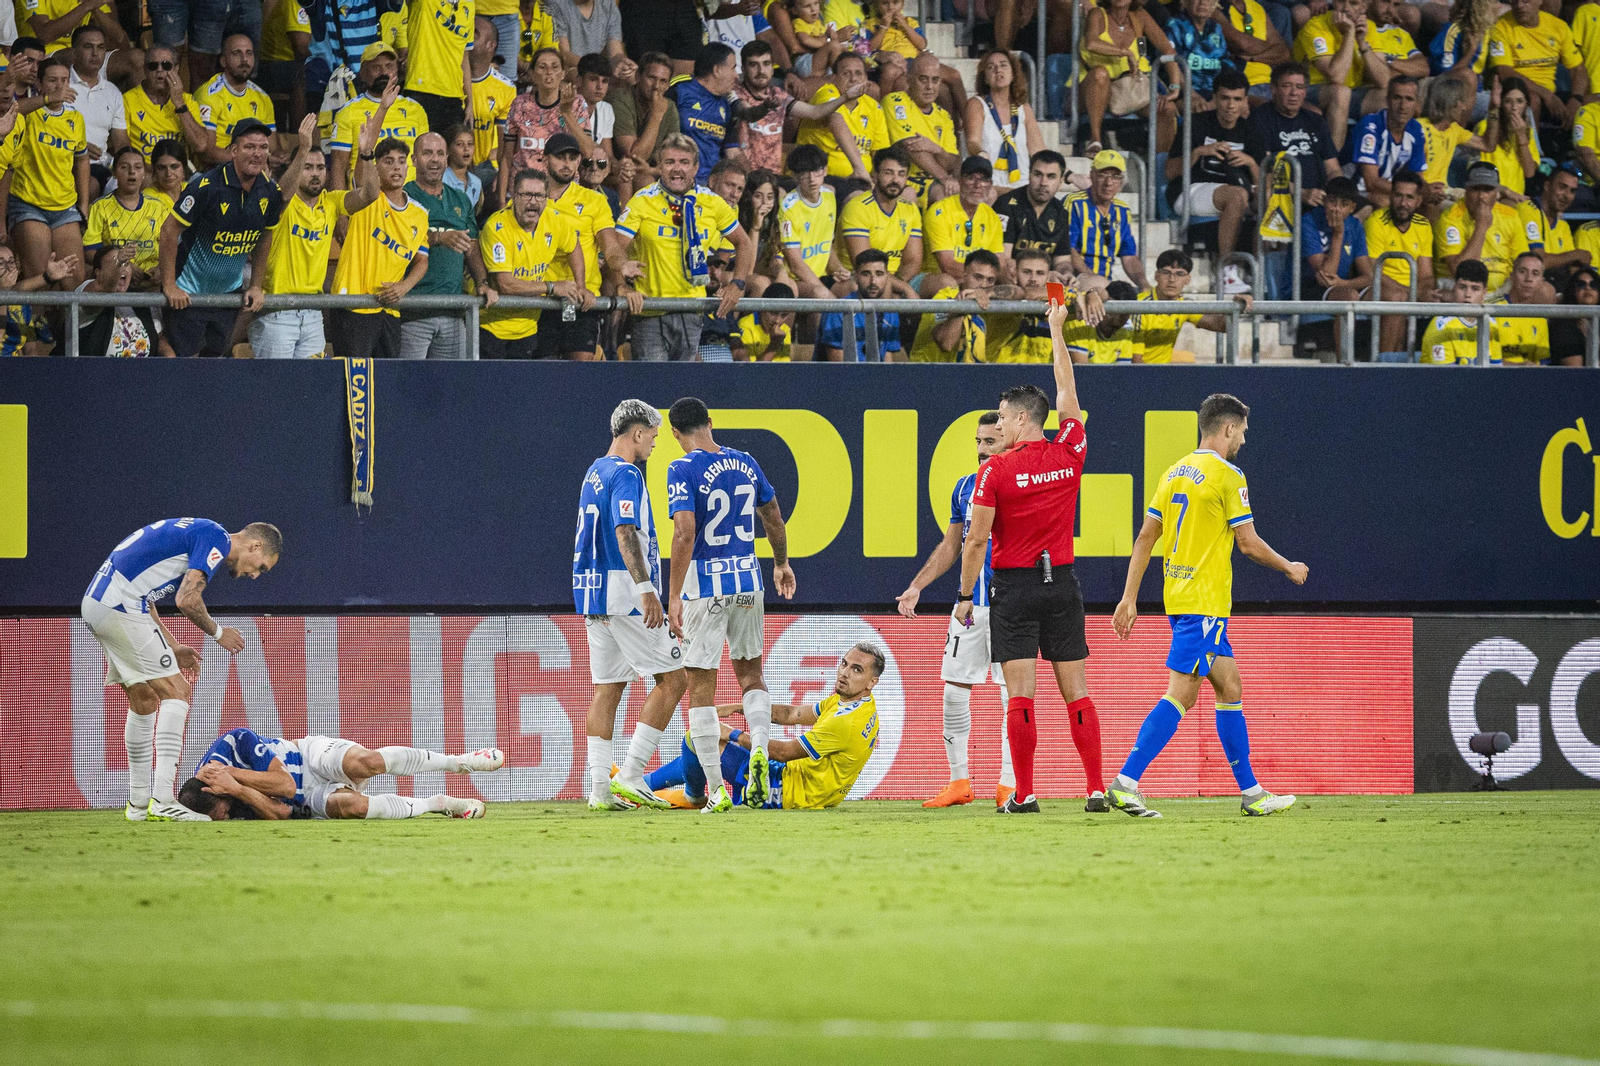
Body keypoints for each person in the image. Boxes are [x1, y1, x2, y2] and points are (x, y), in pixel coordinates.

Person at [1108, 393, 1309, 818]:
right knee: (1181, 695)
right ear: (1228, 428)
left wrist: (1129, 597)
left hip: (1180, 599)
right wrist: (1288, 566)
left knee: (1229, 685)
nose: (1243, 441)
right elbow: (1249, 544)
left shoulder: (1174, 471)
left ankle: (1252, 793)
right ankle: (1126, 782)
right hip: (1204, 603)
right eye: (1242, 433)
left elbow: (1146, 537)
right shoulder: (1228, 475)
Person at [954, 289, 1109, 815]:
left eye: (1001, 417)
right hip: (1063, 583)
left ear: (1022, 419)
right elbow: (1067, 386)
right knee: (1077, 692)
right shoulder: (1071, 449)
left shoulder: (994, 471)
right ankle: (1094, 789)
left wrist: (962, 595)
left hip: (1015, 588)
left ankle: (1025, 792)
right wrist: (1058, 329)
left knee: (1021, 696)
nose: (996, 425)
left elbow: (975, 539)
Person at [81, 518, 280, 821]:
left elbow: (146, 599)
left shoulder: (196, 533)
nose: (254, 575)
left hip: (101, 603)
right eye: (261, 566)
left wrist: (171, 645)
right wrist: (217, 633)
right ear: (255, 546)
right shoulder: (217, 539)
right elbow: (187, 599)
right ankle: (162, 799)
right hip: (120, 606)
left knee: (145, 698)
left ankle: (137, 806)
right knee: (178, 691)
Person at [662, 397, 795, 810]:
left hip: (705, 587)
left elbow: (685, 532)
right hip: (748, 582)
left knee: (701, 688)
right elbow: (772, 512)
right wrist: (781, 562)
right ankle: (759, 745)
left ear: (675, 433)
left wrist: (673, 594)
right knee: (751, 675)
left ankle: (717, 790)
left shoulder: (681, 468)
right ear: (711, 423)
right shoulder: (746, 462)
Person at [574, 400, 691, 810]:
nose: (656, 444)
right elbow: (625, 531)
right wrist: (646, 589)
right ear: (637, 433)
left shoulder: (595, 471)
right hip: (624, 595)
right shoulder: (626, 473)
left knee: (608, 689)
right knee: (675, 680)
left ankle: (599, 791)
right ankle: (632, 774)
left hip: (592, 594)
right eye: (654, 436)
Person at [897, 411, 1016, 809]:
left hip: (1011, 605)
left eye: (991, 442)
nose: (982, 450)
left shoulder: (1024, 483)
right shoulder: (965, 488)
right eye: (978, 442)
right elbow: (952, 545)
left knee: (1012, 696)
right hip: (969, 606)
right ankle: (959, 781)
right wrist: (917, 586)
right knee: (952, 690)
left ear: (1010, 439)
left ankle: (1009, 785)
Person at [642, 643, 884, 811]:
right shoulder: (858, 703)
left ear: (872, 682)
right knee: (704, 741)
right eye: (844, 663)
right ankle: (644, 784)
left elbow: (783, 753)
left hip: (786, 793)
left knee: (698, 736)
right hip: (806, 787)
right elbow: (792, 713)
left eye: (856, 670)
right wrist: (738, 707)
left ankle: (688, 796)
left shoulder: (845, 722)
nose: (844, 673)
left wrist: (733, 733)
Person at [613, 132, 754, 361]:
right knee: (654, 390)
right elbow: (615, 249)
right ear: (659, 166)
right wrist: (623, 286)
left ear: (696, 168)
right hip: (650, 311)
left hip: (691, 311)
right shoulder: (642, 201)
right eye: (669, 162)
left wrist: (737, 283)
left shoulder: (712, 203)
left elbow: (744, 242)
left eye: (684, 163)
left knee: (681, 389)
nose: (676, 169)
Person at [252, 113, 375, 359]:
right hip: (277, 311)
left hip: (313, 314)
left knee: (310, 390)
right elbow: (283, 195)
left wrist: (367, 154)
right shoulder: (283, 202)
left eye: (320, 167)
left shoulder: (330, 203)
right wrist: (304, 148)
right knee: (275, 389)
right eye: (308, 167)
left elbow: (369, 195)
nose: (316, 174)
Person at [177, 727, 502, 820]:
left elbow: (285, 785)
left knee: (367, 763)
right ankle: (436, 803)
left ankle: (458, 762)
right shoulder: (226, 802)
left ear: (213, 792)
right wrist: (238, 791)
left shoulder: (233, 743)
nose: (223, 820)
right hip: (308, 801)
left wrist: (233, 777)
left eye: (219, 813)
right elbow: (280, 810)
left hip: (308, 758)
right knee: (356, 807)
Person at [159, 119, 282, 358]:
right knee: (188, 364)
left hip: (228, 294)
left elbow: (265, 235)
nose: (257, 154)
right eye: (249, 147)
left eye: (263, 147)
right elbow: (168, 232)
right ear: (233, 151)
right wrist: (169, 285)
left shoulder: (270, 191)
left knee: (215, 361)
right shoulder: (207, 186)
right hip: (188, 292)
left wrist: (256, 285)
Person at [325, 133, 435, 359]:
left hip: (389, 310)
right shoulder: (367, 200)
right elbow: (367, 186)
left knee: (385, 381)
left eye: (401, 161)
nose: (396, 167)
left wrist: (404, 286)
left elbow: (422, 260)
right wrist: (366, 152)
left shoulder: (420, 214)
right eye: (388, 161)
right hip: (354, 306)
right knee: (354, 382)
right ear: (375, 168)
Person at [403, 130, 497, 359]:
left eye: (439, 154)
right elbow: (398, 242)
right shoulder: (403, 196)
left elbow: (471, 247)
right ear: (414, 160)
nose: (434, 159)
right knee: (407, 386)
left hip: (454, 311)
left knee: (450, 388)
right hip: (412, 311)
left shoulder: (461, 199)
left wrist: (482, 282)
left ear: (447, 159)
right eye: (427, 153)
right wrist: (437, 238)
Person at [477, 166, 588, 358]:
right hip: (489, 327)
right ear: (513, 196)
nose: (533, 202)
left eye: (539, 196)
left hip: (528, 328)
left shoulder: (554, 219)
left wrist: (581, 285)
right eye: (527, 195)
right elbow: (505, 285)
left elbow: (574, 247)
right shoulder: (497, 228)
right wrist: (552, 287)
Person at [1293, 0, 1426, 148]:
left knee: (1394, 95)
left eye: (1354, 3)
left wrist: (1362, 43)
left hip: (1352, 92)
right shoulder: (1315, 26)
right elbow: (1336, 77)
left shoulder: (1370, 27)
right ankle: (1332, 165)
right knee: (1340, 92)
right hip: (1312, 91)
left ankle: (1393, 159)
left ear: (1364, 7)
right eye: (1341, 2)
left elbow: (1383, 80)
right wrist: (1349, 34)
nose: (1346, 8)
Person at [542, 130, 626, 359]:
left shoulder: (595, 201)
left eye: (572, 158)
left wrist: (621, 265)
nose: (567, 163)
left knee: (579, 377)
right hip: (540, 299)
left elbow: (610, 246)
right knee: (541, 377)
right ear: (544, 159)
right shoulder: (531, 198)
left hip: (583, 300)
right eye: (560, 157)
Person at [9, 56, 89, 290]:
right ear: (39, 84)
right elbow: (10, 112)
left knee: (74, 280)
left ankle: (61, 328)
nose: (60, 86)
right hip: (28, 203)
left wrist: (83, 204)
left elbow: (82, 160)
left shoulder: (75, 119)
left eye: (64, 80)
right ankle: (32, 327)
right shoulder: (28, 114)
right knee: (40, 278)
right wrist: (45, 100)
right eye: (53, 80)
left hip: (64, 207)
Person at [1165, 69, 1262, 260]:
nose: (1230, 105)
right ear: (1215, 98)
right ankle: (1227, 267)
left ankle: (1263, 270)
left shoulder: (1251, 130)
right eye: (1225, 98)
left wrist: (1250, 163)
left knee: (1272, 198)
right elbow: (1169, 172)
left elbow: (1262, 180)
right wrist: (1198, 152)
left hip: (1237, 189)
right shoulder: (1196, 124)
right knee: (1237, 195)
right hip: (1190, 189)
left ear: (1245, 101)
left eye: (1237, 99)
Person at [1078, 0, 1181, 156]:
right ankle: (1095, 139)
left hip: (1130, 90)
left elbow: (1167, 49)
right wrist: (1125, 52)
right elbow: (1091, 43)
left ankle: (1161, 168)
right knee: (1100, 74)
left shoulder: (1140, 16)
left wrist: (1174, 86)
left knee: (1166, 109)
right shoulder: (1098, 14)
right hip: (1093, 89)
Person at [330, 43, 432, 189]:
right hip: (367, 198)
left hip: (411, 199)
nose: (383, 72)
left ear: (397, 69)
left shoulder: (416, 109)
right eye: (376, 67)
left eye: (389, 66)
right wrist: (341, 209)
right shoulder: (347, 112)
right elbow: (338, 168)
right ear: (362, 73)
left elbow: (425, 159)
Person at [500, 46, 590, 198]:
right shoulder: (519, 104)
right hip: (524, 192)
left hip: (563, 192)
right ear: (533, 74)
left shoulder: (577, 104)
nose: (549, 72)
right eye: (542, 67)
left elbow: (588, 151)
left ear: (563, 73)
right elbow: (507, 156)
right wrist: (502, 199)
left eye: (555, 67)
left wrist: (567, 112)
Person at [1136, 249, 1252, 363]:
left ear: (1188, 279)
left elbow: (1222, 325)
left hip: (1159, 374)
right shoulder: (1139, 306)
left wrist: (1237, 306)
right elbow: (1135, 362)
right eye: (1166, 273)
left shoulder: (1184, 305)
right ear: (1156, 276)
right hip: (1138, 374)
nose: (1172, 279)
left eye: (1179, 274)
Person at [1364, 169, 1435, 353]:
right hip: (1378, 287)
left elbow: (1426, 273)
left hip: (1410, 290)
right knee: (1399, 299)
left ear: (1418, 201)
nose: (1403, 203)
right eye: (1398, 196)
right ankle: (1385, 363)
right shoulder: (1376, 221)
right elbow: (1372, 271)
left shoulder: (1423, 225)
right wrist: (1408, 292)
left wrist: (1426, 290)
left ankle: (1436, 362)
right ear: (1391, 196)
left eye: (1410, 198)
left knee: (1442, 298)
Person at [1249, 63, 1341, 202]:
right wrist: (1301, 193)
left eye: (1299, 87)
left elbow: (1333, 169)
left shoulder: (1315, 120)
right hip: (1282, 197)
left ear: (1305, 92)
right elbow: (1265, 171)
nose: (1294, 93)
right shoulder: (1260, 118)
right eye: (1287, 86)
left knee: (1363, 207)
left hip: (1318, 195)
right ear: (1273, 89)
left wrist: (1338, 192)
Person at [83, 146, 172, 289]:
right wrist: (123, 265)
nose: (132, 172)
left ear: (144, 174)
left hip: (153, 283)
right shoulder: (100, 207)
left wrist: (162, 269)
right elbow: (90, 251)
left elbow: (172, 245)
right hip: (117, 283)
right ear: (114, 173)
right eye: (124, 167)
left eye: (138, 167)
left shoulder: (159, 207)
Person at [1486, 0, 1587, 126]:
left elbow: (1578, 69)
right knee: (1533, 99)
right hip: (1515, 90)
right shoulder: (1501, 27)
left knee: (1591, 100)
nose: (1519, 6)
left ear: (1539, 1)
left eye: (1525, 1)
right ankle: (1529, 144)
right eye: (1515, 2)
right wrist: (1546, 94)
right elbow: (1504, 72)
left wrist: (1576, 99)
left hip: (1550, 93)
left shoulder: (1557, 26)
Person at [836, 145, 923, 288]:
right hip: (861, 278)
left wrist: (899, 284)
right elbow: (865, 265)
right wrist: (903, 288)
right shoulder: (858, 207)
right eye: (889, 173)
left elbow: (913, 261)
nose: (895, 180)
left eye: (901, 174)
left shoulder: (910, 209)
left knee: (944, 283)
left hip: (899, 278)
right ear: (874, 175)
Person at [794, 52, 886, 188]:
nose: (853, 79)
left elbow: (880, 152)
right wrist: (859, 168)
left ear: (866, 79)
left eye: (858, 73)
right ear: (834, 78)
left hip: (861, 180)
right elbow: (835, 120)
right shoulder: (827, 93)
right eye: (846, 73)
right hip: (820, 178)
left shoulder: (874, 107)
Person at [664, 42, 750, 185]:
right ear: (717, 70)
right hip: (678, 177)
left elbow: (733, 153)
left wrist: (752, 178)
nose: (736, 76)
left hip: (712, 184)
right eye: (733, 68)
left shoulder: (725, 106)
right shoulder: (680, 89)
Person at [1435, 161, 1528, 291]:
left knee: (1543, 290)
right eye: (1476, 189)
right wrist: (1481, 226)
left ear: (1496, 192)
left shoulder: (1510, 216)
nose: (1481, 196)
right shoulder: (1450, 218)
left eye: (1487, 189)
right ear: (1466, 189)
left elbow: (1522, 261)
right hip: (1459, 289)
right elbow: (1460, 272)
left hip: (1501, 289)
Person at [919, 155, 1005, 294]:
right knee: (948, 282)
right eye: (971, 178)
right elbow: (948, 265)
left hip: (976, 281)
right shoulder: (939, 212)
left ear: (990, 185)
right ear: (960, 181)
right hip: (933, 277)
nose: (977, 185)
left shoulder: (992, 217)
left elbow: (999, 263)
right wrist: (980, 281)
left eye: (984, 180)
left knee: (1012, 288)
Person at [1065, 149, 1147, 292]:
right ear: (1092, 175)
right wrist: (1093, 278)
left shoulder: (1122, 210)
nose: (1109, 182)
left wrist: (1144, 284)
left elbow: (1129, 256)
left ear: (1121, 181)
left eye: (1115, 177)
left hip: (1105, 284)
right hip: (1075, 281)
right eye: (1103, 175)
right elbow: (1067, 248)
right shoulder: (1075, 203)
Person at [883, 52, 959, 205]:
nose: (930, 87)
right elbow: (911, 148)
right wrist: (944, 177)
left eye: (935, 80)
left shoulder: (944, 117)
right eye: (923, 79)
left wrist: (936, 149)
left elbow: (953, 162)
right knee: (941, 192)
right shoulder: (895, 102)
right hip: (903, 179)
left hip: (934, 181)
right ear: (909, 80)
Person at [965, 49, 1043, 195]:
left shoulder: (1024, 108)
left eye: (1003, 65)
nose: (997, 70)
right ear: (985, 78)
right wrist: (980, 152)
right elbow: (972, 142)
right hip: (989, 187)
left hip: (1022, 187)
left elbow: (1039, 152)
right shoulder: (976, 104)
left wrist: (1070, 175)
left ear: (1013, 74)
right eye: (991, 67)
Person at [194, 34, 278, 166]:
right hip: (216, 172)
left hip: (254, 169)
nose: (244, 59)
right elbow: (207, 153)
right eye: (236, 53)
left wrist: (279, 157)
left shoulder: (263, 98)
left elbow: (272, 147)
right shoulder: (208, 95)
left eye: (249, 53)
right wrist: (250, 159)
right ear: (223, 61)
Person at [909, 249, 1006, 362]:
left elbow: (1019, 292)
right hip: (928, 371)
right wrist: (963, 306)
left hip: (966, 374)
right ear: (964, 275)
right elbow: (946, 344)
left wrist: (988, 292)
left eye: (990, 280)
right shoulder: (945, 296)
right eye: (978, 277)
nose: (983, 285)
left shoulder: (989, 298)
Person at [123, 45, 212, 164]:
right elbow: (124, 148)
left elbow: (201, 145)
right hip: (145, 172)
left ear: (176, 69)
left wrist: (179, 104)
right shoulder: (127, 100)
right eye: (153, 66)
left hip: (178, 173)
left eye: (166, 65)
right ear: (145, 70)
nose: (159, 70)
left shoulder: (187, 100)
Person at [608, 51, 680, 198]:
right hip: (615, 171)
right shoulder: (621, 99)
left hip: (650, 173)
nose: (656, 86)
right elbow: (635, 155)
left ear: (668, 85)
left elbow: (674, 159)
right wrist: (656, 116)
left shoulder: (670, 107)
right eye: (651, 78)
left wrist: (651, 171)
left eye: (662, 81)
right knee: (644, 181)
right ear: (638, 76)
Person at [66, 25, 129, 187]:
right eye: (88, 47)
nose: (95, 53)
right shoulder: (61, 85)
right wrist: (78, 147)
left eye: (100, 48)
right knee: (92, 185)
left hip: (103, 165)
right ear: (74, 53)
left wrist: (127, 166)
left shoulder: (112, 91)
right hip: (66, 162)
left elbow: (121, 141)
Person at [994, 150, 1071, 276]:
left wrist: (1066, 274)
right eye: (1037, 174)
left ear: (1061, 181)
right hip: (1012, 279)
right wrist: (1044, 275)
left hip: (1046, 279)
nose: (1043, 183)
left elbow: (1062, 260)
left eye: (1051, 176)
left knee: (1093, 289)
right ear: (1029, 175)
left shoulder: (1060, 211)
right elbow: (1004, 260)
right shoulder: (1006, 205)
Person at [403, 0, 476, 133]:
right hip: (420, 91)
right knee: (420, 151)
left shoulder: (469, 4)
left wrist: (470, 102)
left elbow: (464, 57)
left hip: (453, 98)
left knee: (451, 152)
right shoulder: (424, 3)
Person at [777, 143, 837, 302]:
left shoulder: (830, 195)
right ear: (795, 176)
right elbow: (795, 265)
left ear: (825, 171)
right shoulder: (788, 208)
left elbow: (826, 242)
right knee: (820, 295)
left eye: (817, 171)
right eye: (804, 173)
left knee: (854, 287)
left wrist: (838, 268)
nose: (812, 179)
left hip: (821, 276)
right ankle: (812, 329)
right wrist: (825, 291)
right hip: (797, 280)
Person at [1350, 74, 1422, 206]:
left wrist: (1424, 192)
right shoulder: (1371, 125)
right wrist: (1410, 193)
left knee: (1427, 203)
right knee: (1389, 203)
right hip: (1356, 191)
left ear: (1417, 104)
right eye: (1397, 98)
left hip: (1390, 191)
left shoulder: (1416, 129)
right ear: (1387, 100)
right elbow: (1370, 182)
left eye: (1409, 99)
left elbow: (1417, 176)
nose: (1403, 106)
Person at [818, 249, 903, 360]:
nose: (873, 281)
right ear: (856, 277)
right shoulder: (838, 312)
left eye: (879, 274)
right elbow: (838, 367)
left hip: (876, 376)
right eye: (866, 274)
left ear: (887, 276)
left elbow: (887, 359)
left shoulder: (891, 313)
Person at [76, 246, 157, 357]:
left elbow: (159, 337)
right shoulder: (87, 290)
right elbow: (104, 286)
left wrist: (170, 358)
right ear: (97, 272)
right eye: (113, 264)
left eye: (126, 264)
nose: (122, 268)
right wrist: (118, 261)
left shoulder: (140, 300)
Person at [1302, 175, 1373, 300]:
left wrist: (1343, 283)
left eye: (1343, 205)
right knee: (1349, 296)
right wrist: (1338, 233)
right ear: (1324, 201)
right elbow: (1327, 277)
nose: (1337, 209)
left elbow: (1368, 277)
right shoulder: (1308, 222)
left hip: (1341, 285)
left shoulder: (1355, 225)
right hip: (1306, 287)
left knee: (1394, 296)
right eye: (1332, 202)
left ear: (1352, 208)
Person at [1419, 256, 1498, 362]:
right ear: (1454, 288)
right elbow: (1445, 377)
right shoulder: (1441, 328)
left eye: (1475, 288)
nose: (1468, 295)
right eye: (1462, 287)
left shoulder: (1491, 325)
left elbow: (1496, 371)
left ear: (1484, 292)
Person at [468, 18, 517, 189]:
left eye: (474, 33)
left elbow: (506, 143)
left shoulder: (505, 88)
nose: (467, 35)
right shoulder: (448, 81)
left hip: (486, 170)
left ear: (490, 45)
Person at [1520, 167, 1587, 292]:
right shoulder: (1528, 210)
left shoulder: (1563, 225)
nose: (1567, 195)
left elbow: (1572, 265)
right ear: (1547, 186)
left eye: (1572, 191)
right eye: (1562, 187)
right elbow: (1539, 261)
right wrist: (1576, 255)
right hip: (1526, 284)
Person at [1474, 76, 1539, 204]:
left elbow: (1530, 172)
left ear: (1526, 105)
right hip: (1491, 195)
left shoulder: (1528, 132)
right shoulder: (1484, 127)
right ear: (1501, 104)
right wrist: (1505, 191)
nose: (1514, 107)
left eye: (1520, 101)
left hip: (1518, 198)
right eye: (1508, 101)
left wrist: (1521, 137)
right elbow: (1478, 172)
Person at [1220, 0, 1293, 102]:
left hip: (1270, 83)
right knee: (1270, 110)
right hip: (1241, 85)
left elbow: (1284, 53)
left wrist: (1252, 58)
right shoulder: (1217, 8)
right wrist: (1271, 49)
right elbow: (1243, 44)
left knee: (1312, 112)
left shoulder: (1255, 7)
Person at [1491, 251, 1551, 365]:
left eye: (1535, 273)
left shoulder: (1540, 318)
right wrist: (1517, 367)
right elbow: (1484, 359)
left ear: (1541, 281)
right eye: (1522, 271)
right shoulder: (1493, 310)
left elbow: (1543, 364)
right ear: (1512, 275)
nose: (1528, 278)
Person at [1064, 278, 1141, 363]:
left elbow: (1122, 372)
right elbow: (1082, 371)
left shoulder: (1126, 329)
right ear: (1101, 304)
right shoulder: (1079, 324)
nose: (1118, 319)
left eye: (1125, 315)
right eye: (1113, 312)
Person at [1545, 264, 1596, 368]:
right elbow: (1575, 370)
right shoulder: (1562, 326)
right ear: (1572, 290)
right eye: (1581, 284)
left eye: (1593, 284)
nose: (1588, 288)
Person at [442, 124, 485, 208]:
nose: (466, 148)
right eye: (459, 144)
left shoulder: (476, 182)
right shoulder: (441, 180)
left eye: (470, 144)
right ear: (447, 150)